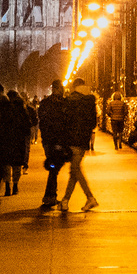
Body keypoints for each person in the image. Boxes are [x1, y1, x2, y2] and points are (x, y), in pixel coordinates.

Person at [60, 76, 100, 212]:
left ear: (74, 87)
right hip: (83, 141)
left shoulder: (70, 101)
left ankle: (90, 198)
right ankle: (65, 200)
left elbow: (64, 123)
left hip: (71, 140)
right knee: (74, 171)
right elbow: (94, 123)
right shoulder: (90, 101)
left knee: (75, 170)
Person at [37, 81, 69, 210]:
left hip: (48, 140)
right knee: (54, 167)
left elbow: (42, 120)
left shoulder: (44, 104)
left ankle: (50, 195)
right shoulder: (64, 103)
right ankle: (49, 196)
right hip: (58, 140)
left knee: (53, 166)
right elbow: (67, 121)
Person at [7, 90, 35, 195]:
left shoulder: (5, 109)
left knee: (6, 163)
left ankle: (6, 185)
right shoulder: (22, 109)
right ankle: (15, 185)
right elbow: (28, 124)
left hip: (7, 139)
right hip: (19, 139)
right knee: (17, 164)